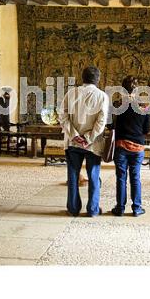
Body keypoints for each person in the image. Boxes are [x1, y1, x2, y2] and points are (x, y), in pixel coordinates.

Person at [58, 66, 109, 217]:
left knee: (73, 175)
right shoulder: (102, 96)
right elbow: (101, 122)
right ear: (98, 79)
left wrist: (74, 135)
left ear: (82, 78)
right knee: (93, 176)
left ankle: (73, 209)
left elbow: (62, 116)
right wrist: (88, 138)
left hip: (73, 143)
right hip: (92, 144)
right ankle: (93, 210)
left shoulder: (71, 93)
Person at [112, 76, 150, 217]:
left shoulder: (117, 106)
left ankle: (120, 208)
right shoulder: (144, 107)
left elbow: (111, 126)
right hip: (137, 147)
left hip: (121, 146)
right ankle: (137, 208)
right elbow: (146, 129)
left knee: (121, 178)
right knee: (135, 177)